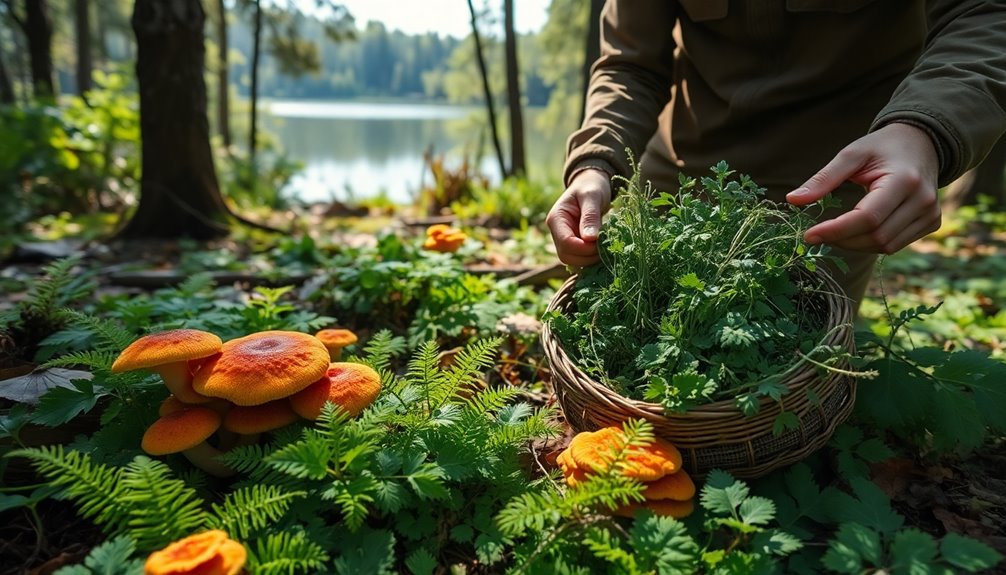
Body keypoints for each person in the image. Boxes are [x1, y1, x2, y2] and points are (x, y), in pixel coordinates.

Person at [547, 0, 1006, 306]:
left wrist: (924, 129)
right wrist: (596, 161)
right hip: (683, 172)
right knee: (640, 323)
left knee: (796, 365)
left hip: (833, 185)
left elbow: (984, 13)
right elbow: (631, 62)